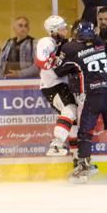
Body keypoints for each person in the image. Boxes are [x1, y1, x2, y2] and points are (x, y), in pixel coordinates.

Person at [53, 22, 107, 183]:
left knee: (85, 133)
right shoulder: (99, 42)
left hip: (92, 94)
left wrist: (63, 52)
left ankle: (83, 170)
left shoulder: (70, 48)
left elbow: (58, 70)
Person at [35, 16, 79, 159]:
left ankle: (78, 159)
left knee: (73, 121)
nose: (66, 30)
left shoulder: (64, 43)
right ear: (53, 31)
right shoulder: (47, 42)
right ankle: (56, 144)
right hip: (52, 85)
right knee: (70, 109)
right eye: (62, 28)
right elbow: (42, 61)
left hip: (61, 85)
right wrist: (56, 60)